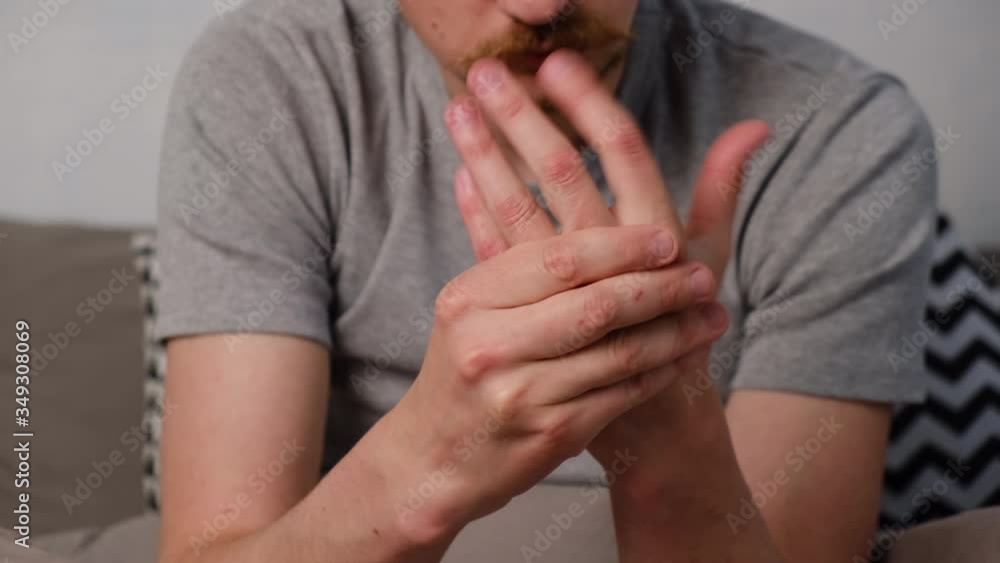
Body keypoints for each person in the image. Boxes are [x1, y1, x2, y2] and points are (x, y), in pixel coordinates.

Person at [154, 0, 938, 561]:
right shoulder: (271, 80)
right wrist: (426, 460)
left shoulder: (839, 128)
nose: (542, 7)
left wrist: (668, 430)